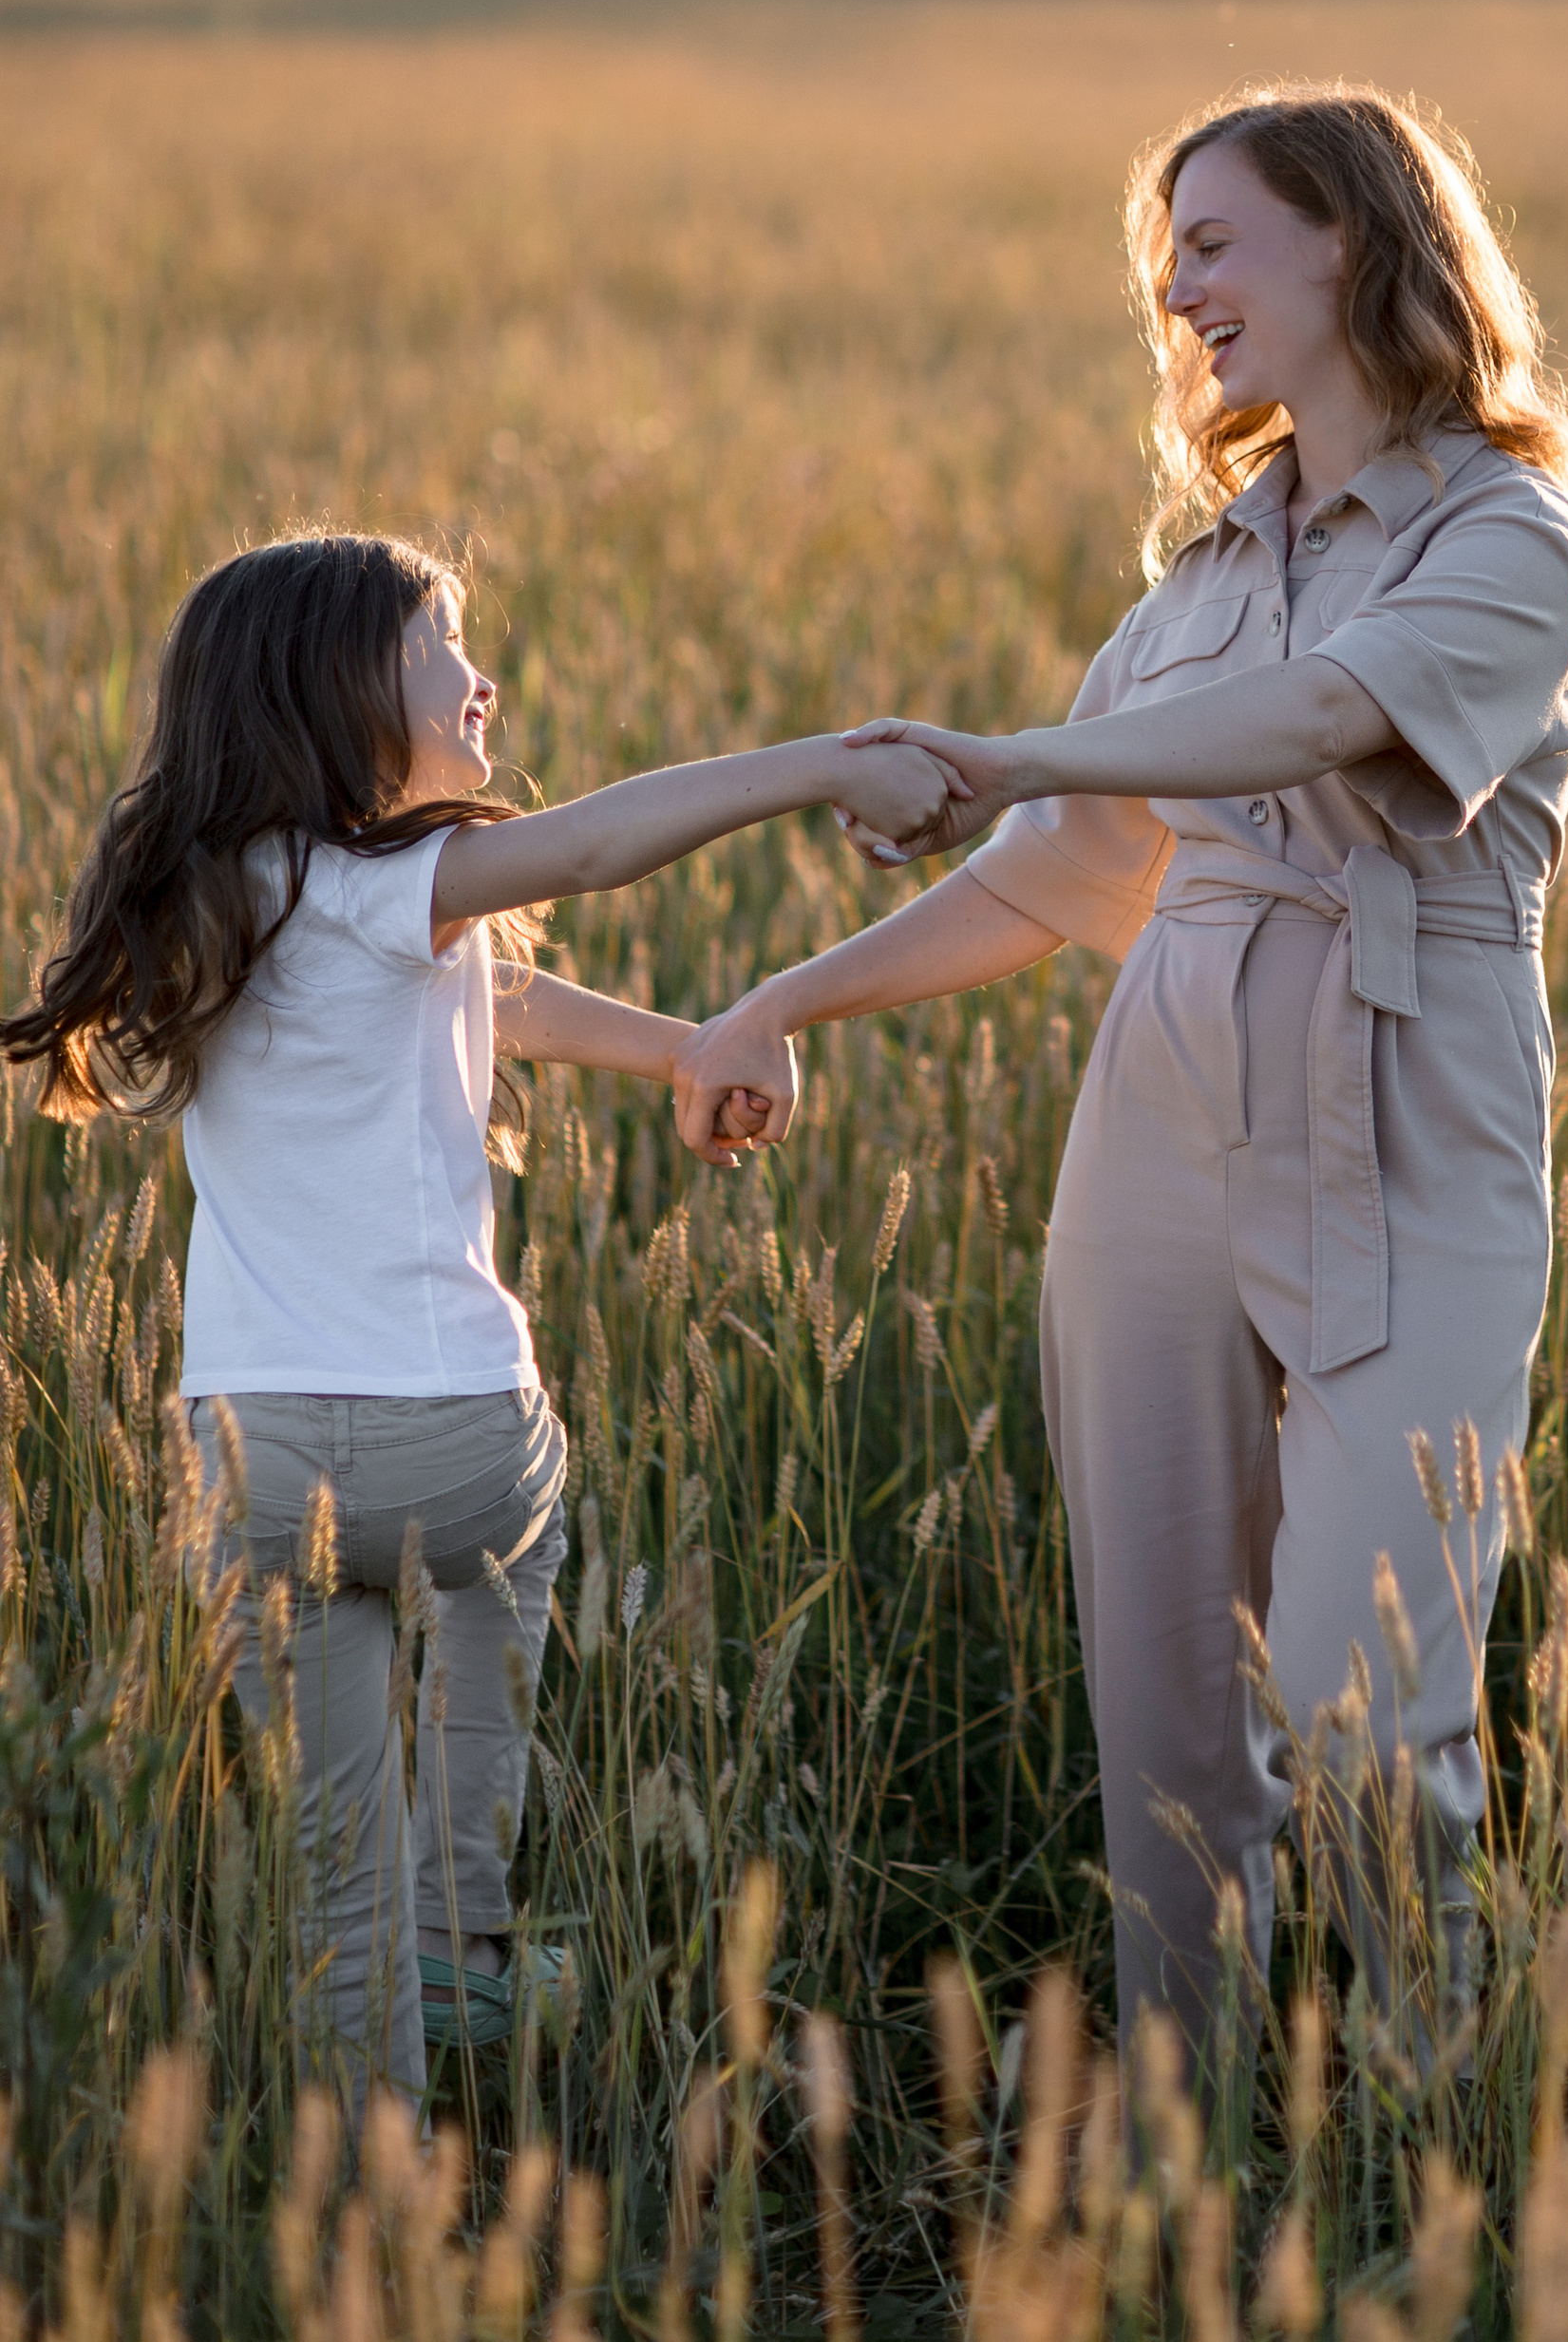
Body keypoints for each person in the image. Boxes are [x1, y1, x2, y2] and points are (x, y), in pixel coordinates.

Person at [673, 86, 1568, 2059]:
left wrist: (1019, 746)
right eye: (1163, 258)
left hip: (1408, 1103)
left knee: (1370, 1707)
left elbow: (1330, 718)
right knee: (1166, 1700)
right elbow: (1059, 885)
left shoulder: (1508, 531)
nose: (1173, 293)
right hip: (1163, 1101)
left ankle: (1433, 2110)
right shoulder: (1200, 573)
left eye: (1211, 244)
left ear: (1353, 239)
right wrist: (781, 998)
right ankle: (1189, 2130)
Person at [1, 530, 959, 2106]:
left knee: (329, 1895)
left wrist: (680, 1047)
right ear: (342, 692)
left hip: (247, 1460)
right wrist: (818, 764)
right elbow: (582, 858)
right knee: (516, 1553)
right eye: (445, 643)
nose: (482, 673)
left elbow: (491, 997)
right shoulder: (389, 885)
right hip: (452, 1438)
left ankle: (366, 2195)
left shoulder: (222, 901)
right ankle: (470, 1926)